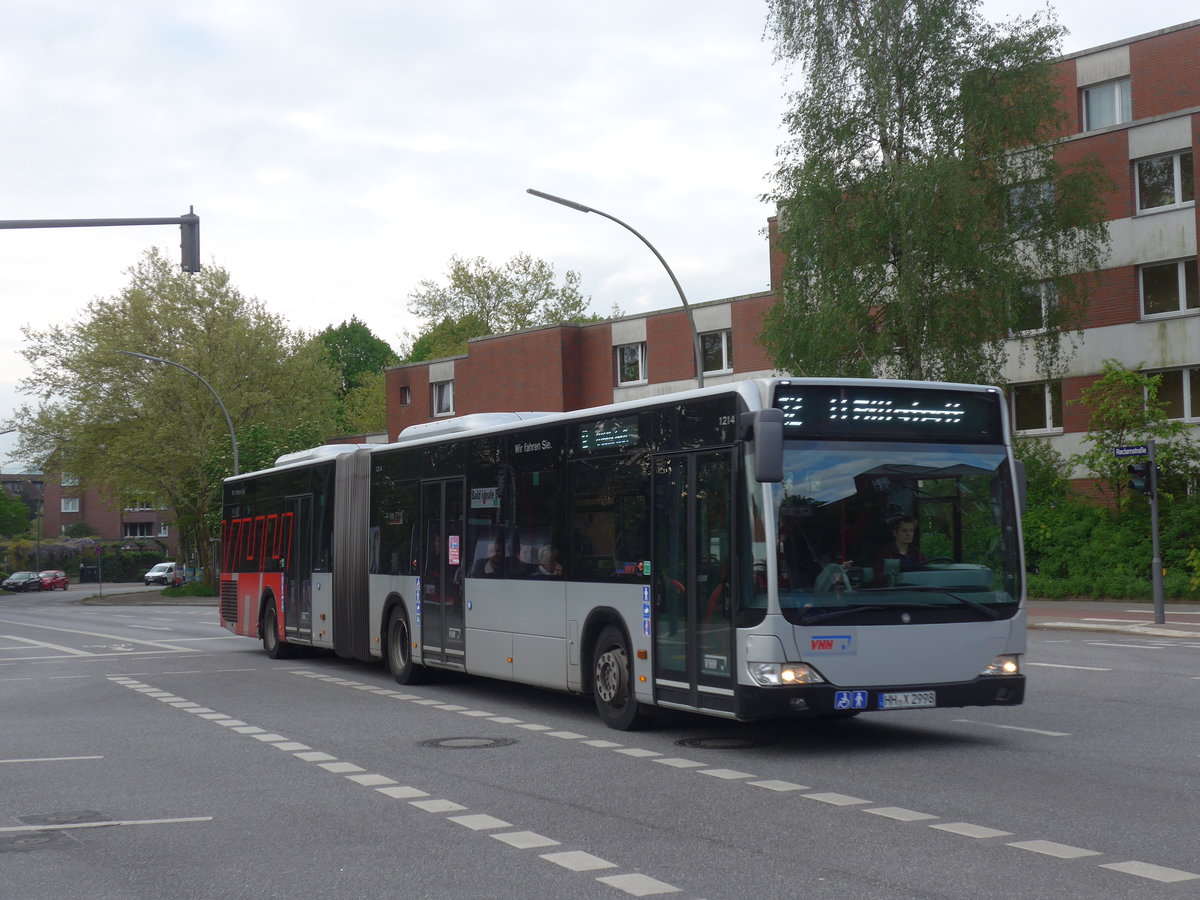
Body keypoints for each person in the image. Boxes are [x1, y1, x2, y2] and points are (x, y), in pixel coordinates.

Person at [873, 515, 927, 584]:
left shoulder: (917, 554)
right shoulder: (885, 554)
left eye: (911, 531)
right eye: (904, 531)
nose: (909, 534)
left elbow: (926, 573)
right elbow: (879, 578)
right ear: (895, 533)